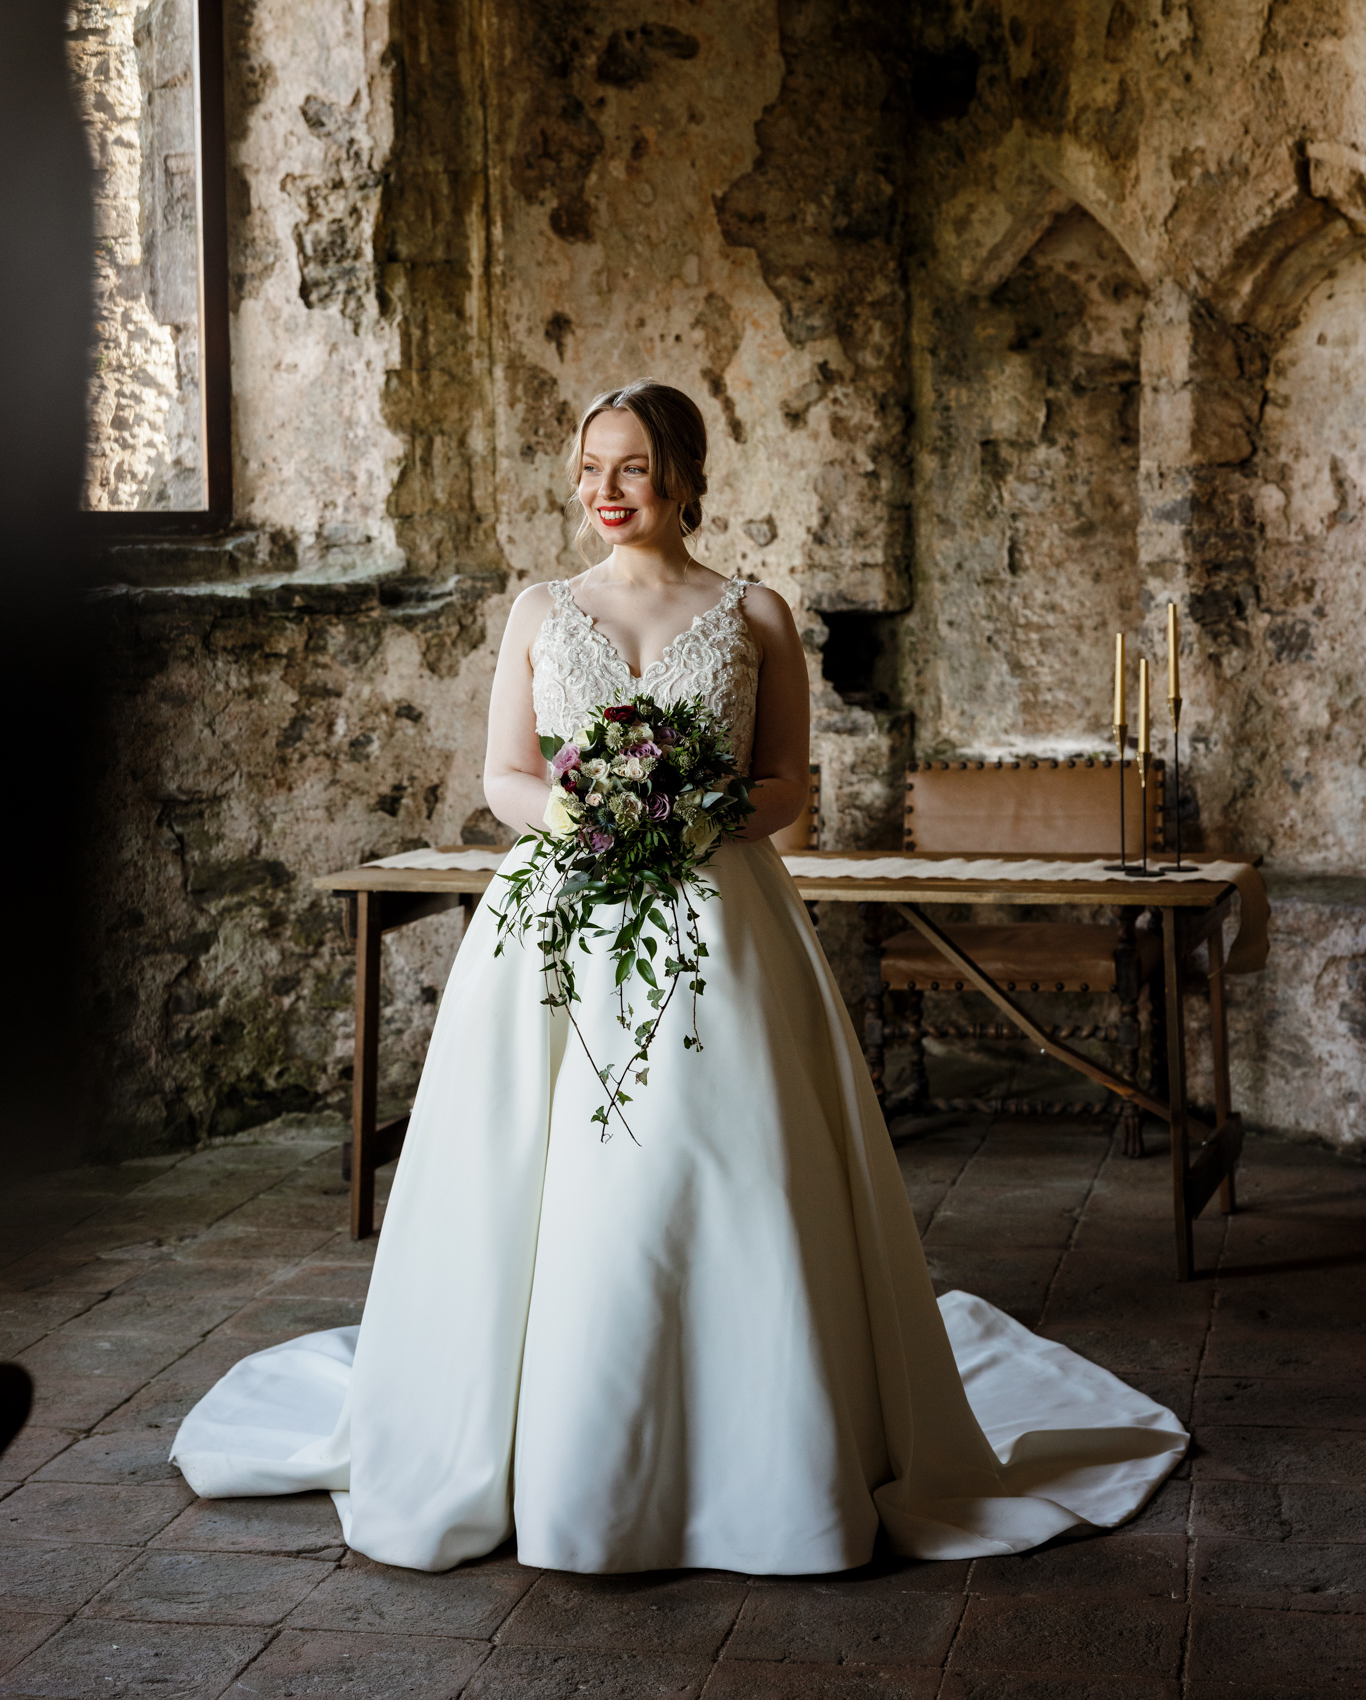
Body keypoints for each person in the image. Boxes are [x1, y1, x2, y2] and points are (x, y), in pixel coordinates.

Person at [171, 378, 1186, 1574]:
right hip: (562, 919)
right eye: (591, 466)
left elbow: (792, 793)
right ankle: (547, 1440)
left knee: (716, 1169)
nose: (606, 490)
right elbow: (504, 775)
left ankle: (751, 1446)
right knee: (549, 1182)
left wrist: (691, 809)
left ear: (686, 477)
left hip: (718, 916)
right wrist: (588, 815)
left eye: (634, 466)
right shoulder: (538, 610)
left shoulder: (754, 612)